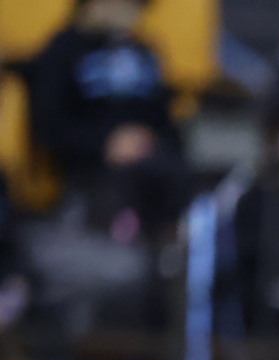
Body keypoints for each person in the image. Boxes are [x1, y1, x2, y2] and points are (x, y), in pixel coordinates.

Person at [24, 0, 187, 240]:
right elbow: (49, 128)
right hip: (91, 171)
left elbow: (167, 122)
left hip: (153, 165)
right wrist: (105, 142)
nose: (132, 10)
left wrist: (146, 139)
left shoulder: (145, 51)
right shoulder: (63, 50)